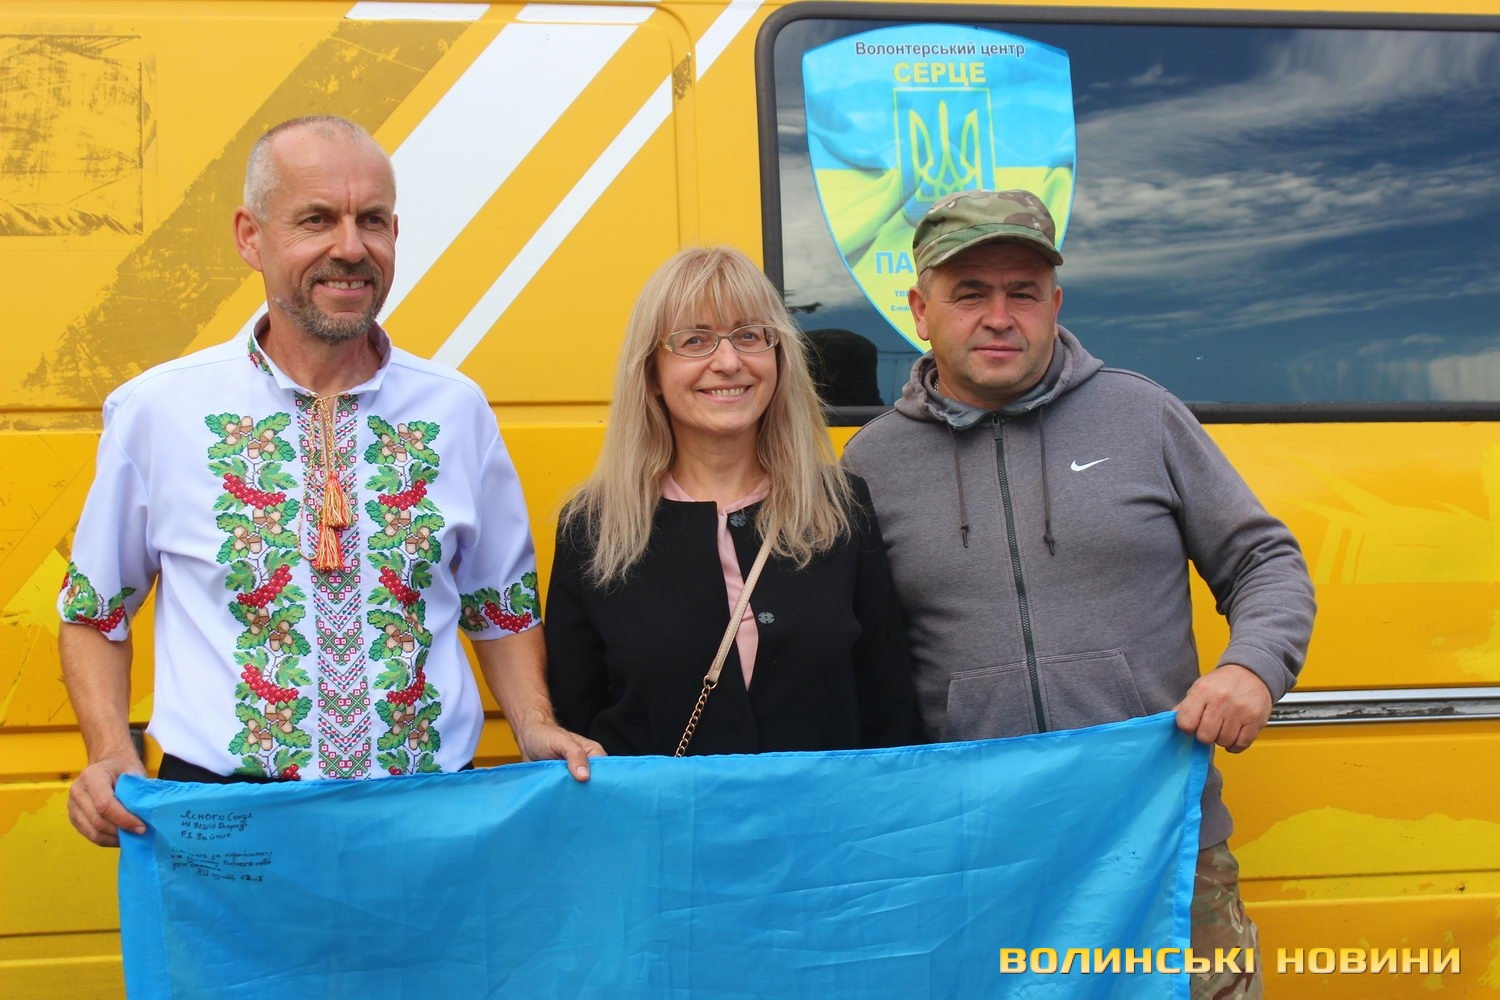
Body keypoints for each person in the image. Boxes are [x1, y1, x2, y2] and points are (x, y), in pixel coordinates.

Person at [60, 115, 601, 848]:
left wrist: (535, 725)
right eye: (316, 219)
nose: (350, 248)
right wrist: (109, 752)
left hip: (428, 819)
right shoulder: (159, 410)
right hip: (226, 825)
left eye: (371, 220)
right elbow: (94, 611)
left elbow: (499, 607)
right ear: (250, 236)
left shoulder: (455, 410)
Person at [841, 189, 1315, 999]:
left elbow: (1264, 559)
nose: (999, 317)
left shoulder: (1143, 415)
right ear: (920, 310)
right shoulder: (871, 464)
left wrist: (1253, 668)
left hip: (1161, 844)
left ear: (1055, 304)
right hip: (978, 862)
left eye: (1022, 293)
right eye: (969, 293)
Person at [545, 246, 919, 755]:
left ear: (778, 357)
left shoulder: (840, 507)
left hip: (824, 807)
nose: (727, 362)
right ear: (651, 374)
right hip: (663, 809)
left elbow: (889, 710)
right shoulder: (594, 527)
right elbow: (577, 726)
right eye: (694, 340)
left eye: (749, 336)